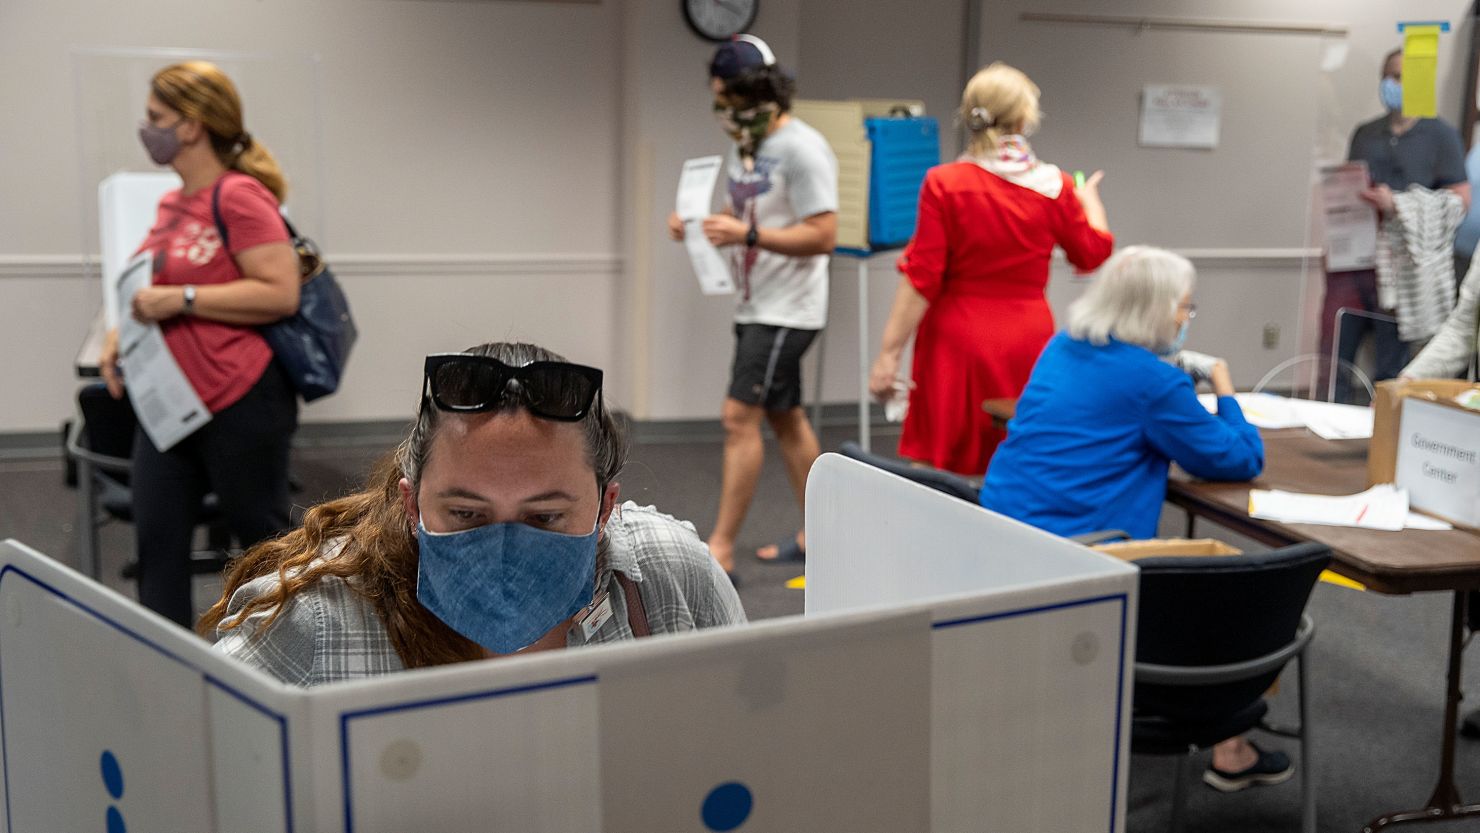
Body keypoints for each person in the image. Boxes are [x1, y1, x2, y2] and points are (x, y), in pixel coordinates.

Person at [199, 342, 746, 685]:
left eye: (545, 518)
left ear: (606, 508)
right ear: (413, 503)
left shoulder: (669, 577)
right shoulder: (315, 622)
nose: (504, 546)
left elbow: (761, 750)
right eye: (465, 513)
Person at [979, 247, 1283, 790]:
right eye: (1185, 308)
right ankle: (1230, 751)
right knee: (1241, 603)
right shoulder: (1154, 383)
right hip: (1088, 563)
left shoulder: (1061, 347)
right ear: (1154, 309)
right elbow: (1240, 459)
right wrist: (1223, 386)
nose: (1186, 319)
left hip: (1004, 547)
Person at [98, 61, 301, 627]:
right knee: (157, 544)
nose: (148, 129)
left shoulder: (240, 196)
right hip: (170, 405)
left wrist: (183, 298)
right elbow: (144, 286)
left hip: (240, 397)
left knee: (262, 544)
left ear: (192, 126)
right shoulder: (172, 204)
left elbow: (280, 292)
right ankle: (168, 671)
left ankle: (281, 660)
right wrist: (117, 334)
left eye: (158, 118)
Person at [868, 62, 1112, 477]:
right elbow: (1092, 253)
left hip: (956, 340)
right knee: (1016, 460)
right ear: (1023, 119)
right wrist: (1090, 200)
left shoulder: (944, 183)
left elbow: (921, 278)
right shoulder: (1055, 185)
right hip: (1026, 338)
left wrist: (888, 354)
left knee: (938, 469)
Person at [665, 34, 838, 570]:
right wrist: (697, 227)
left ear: (756, 91)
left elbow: (824, 234)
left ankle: (720, 550)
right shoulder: (748, 145)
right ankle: (823, 535)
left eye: (728, 97)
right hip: (756, 302)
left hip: (787, 309)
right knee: (785, 419)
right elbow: (742, 215)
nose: (722, 109)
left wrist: (748, 237)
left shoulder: (803, 149)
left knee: (738, 417)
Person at [1321, 47, 1469, 396]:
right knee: (1335, 352)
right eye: (1388, 76)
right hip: (1355, 262)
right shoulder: (1366, 133)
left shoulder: (1441, 136)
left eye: (1401, 77)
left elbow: (1459, 202)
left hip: (1404, 270)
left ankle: (1380, 436)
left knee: (1391, 362)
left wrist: (1398, 204)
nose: (1393, 84)